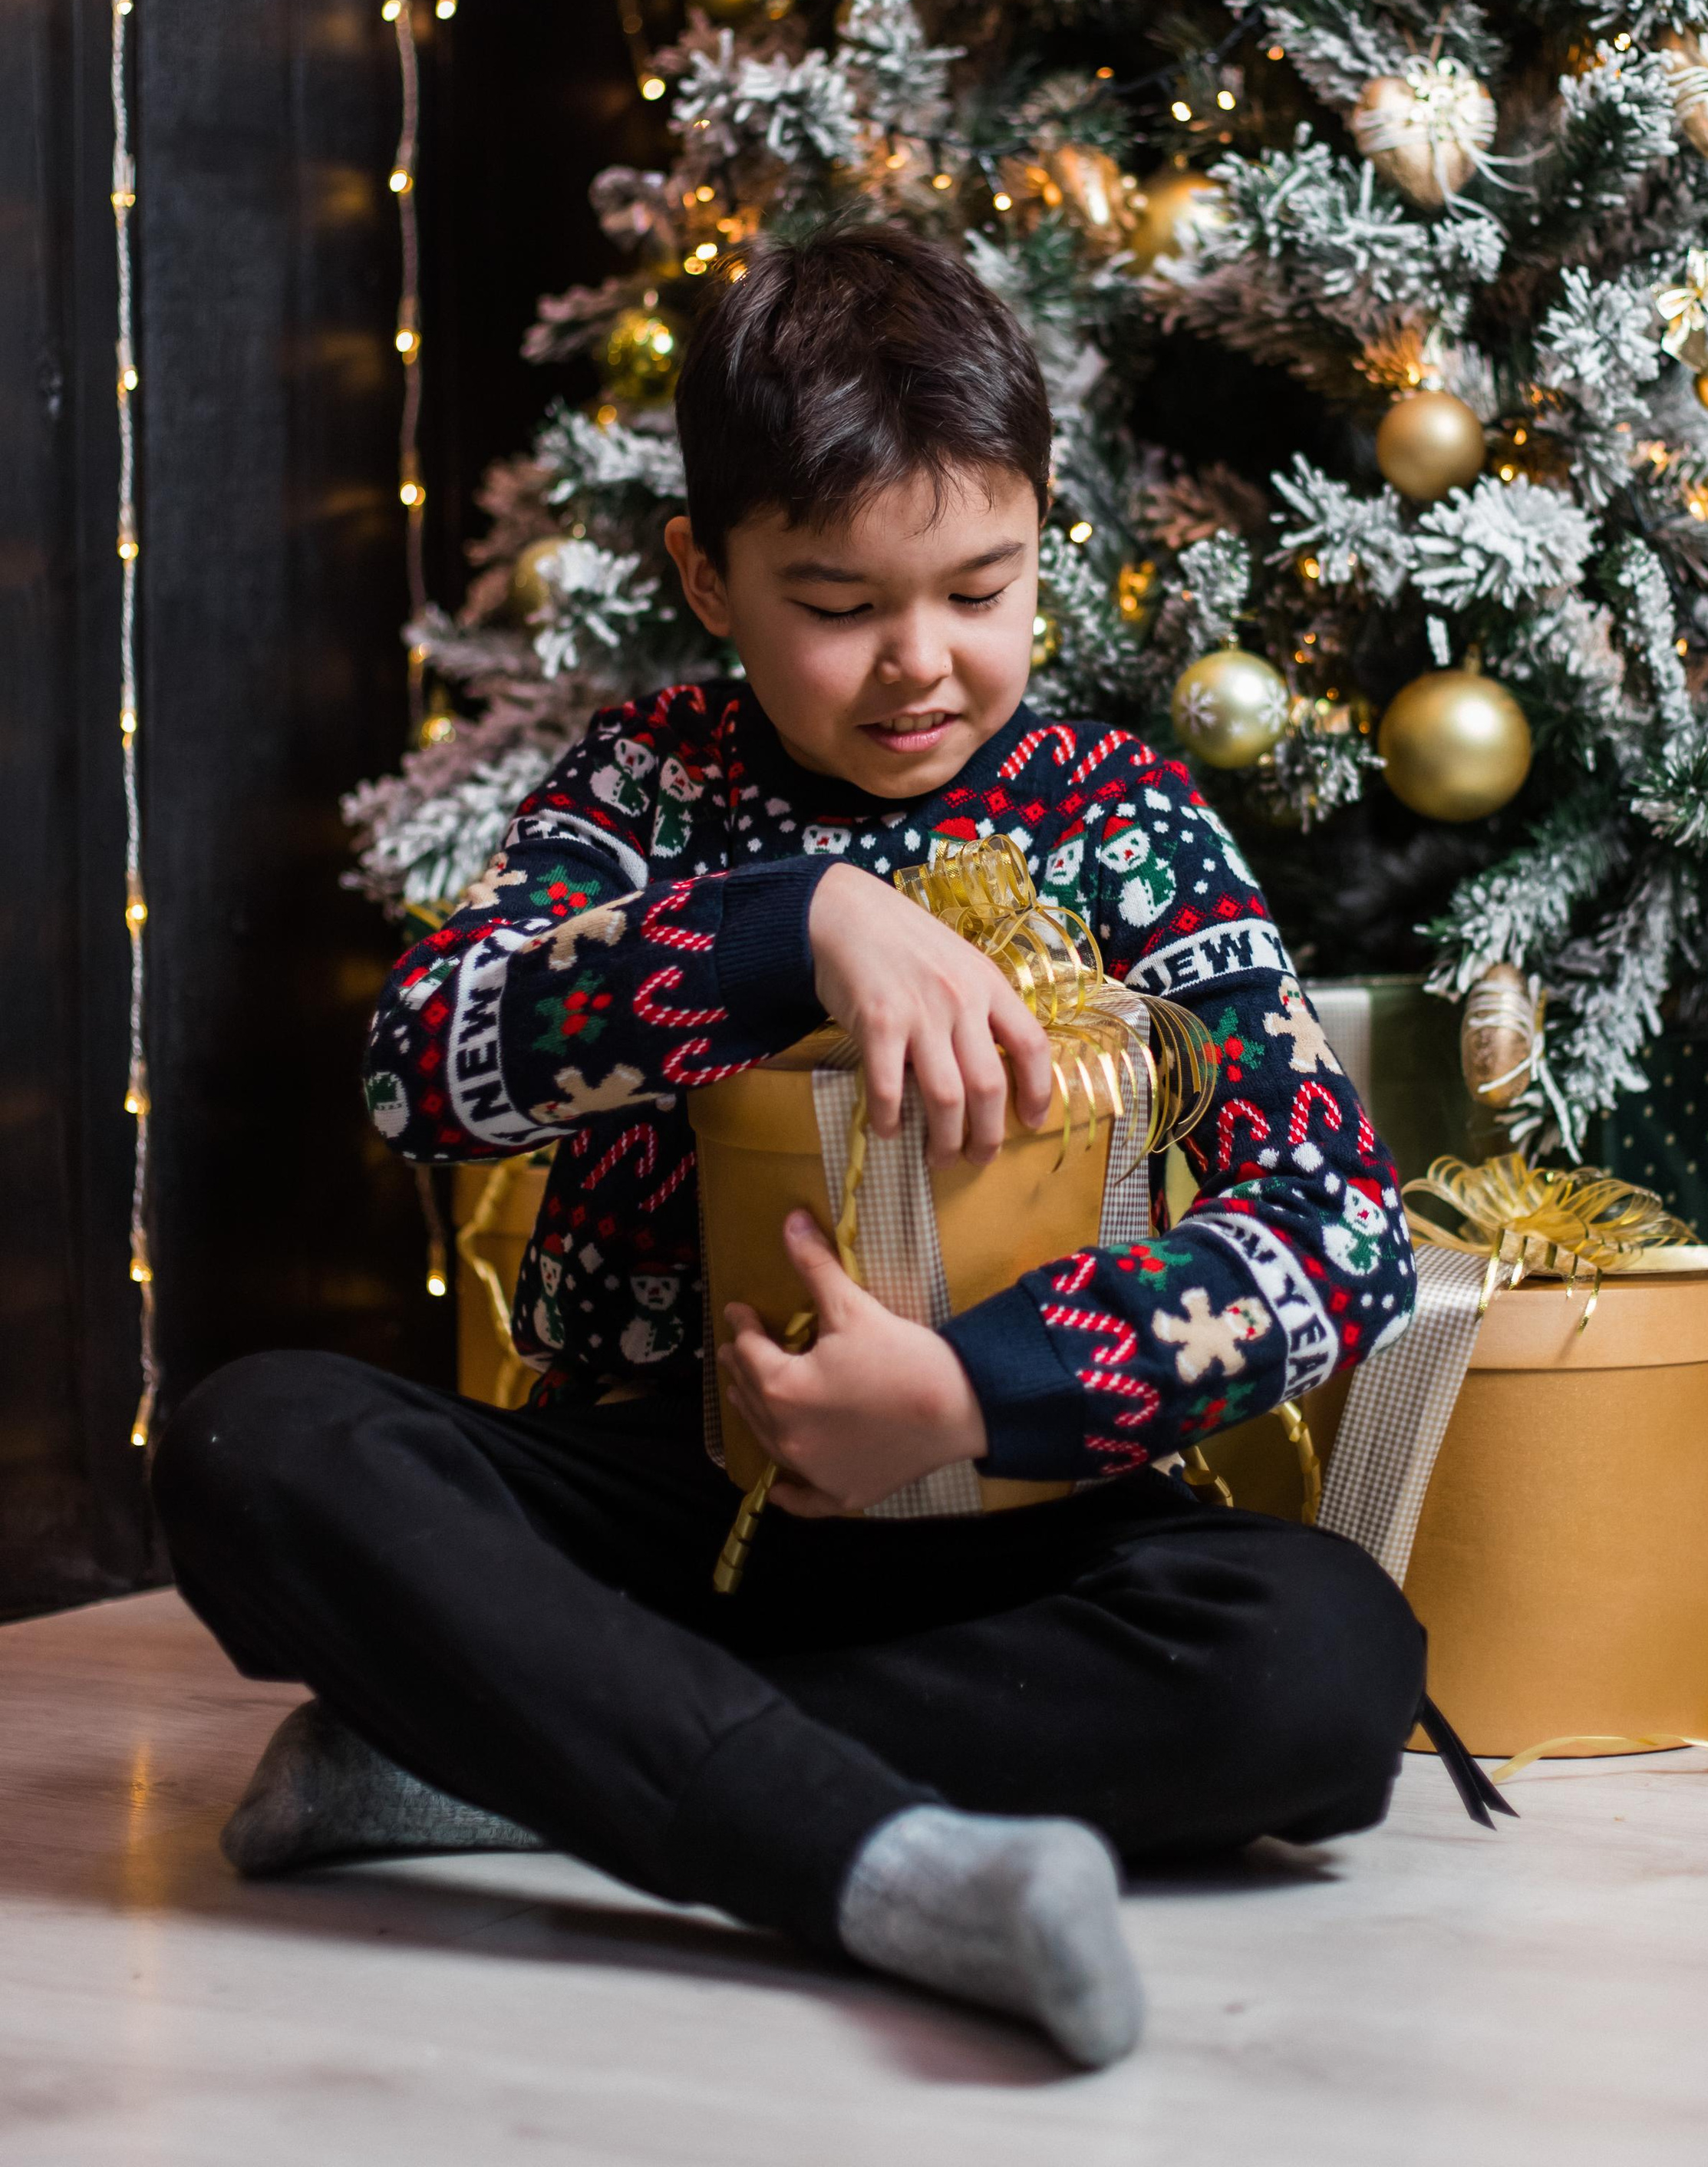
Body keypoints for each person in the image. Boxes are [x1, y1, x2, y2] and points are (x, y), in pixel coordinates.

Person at [154, 225, 1437, 2072]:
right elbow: (413, 1068)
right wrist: (788, 923)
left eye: (980, 590)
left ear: (1041, 540)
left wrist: (971, 1392)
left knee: (1324, 1666)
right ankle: (864, 1854)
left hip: (1019, 1528)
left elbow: (1336, 1233)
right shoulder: (643, 786)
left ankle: (513, 1763)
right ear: (708, 571)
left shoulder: (1124, 815)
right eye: (836, 606)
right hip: (661, 1501)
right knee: (251, 1440)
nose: (920, 666)